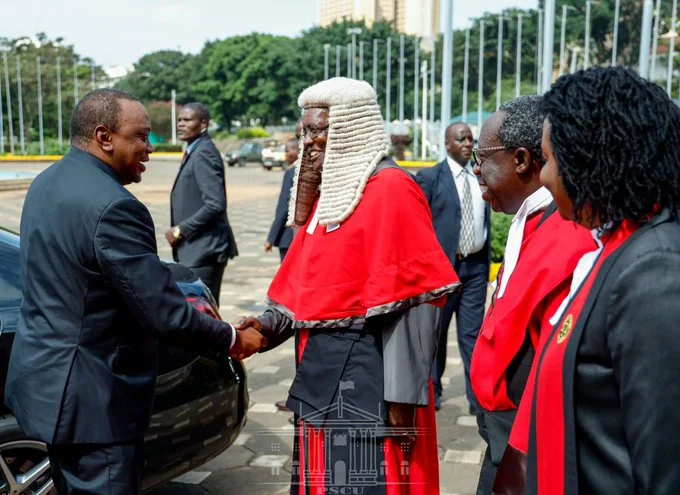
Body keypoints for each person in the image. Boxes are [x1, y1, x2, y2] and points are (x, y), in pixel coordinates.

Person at [4, 89, 266, 495]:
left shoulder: (47, 181)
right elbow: (164, 312)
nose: (149, 148)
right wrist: (233, 338)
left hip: (47, 389)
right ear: (104, 136)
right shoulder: (114, 207)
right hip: (93, 404)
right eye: (141, 136)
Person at [235, 77, 460, 494]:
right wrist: (266, 327)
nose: (310, 141)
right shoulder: (330, 195)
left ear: (349, 128)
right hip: (322, 366)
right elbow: (305, 286)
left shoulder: (393, 188)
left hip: (371, 373)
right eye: (305, 131)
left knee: (363, 479)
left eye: (319, 129)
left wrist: (403, 401)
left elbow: (415, 303)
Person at [524, 67, 680, 494]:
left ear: (592, 159)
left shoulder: (655, 271)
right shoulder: (614, 248)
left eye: (552, 158)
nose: (544, 176)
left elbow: (664, 470)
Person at [465, 96, 595, 494]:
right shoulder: (528, 216)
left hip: (528, 437)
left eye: (480, 156)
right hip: (503, 428)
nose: (475, 168)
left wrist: (521, 450)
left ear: (522, 159)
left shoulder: (567, 232)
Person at [415, 122, 490, 413]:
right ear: (447, 144)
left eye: (471, 138)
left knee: (472, 336)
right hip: (442, 272)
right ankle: (433, 391)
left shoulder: (480, 175)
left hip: (474, 269)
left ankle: (476, 400)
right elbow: (419, 226)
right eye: (461, 139)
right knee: (436, 334)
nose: (468, 143)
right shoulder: (431, 178)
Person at [166, 102, 238, 305]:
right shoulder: (194, 150)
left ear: (203, 124)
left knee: (203, 316)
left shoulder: (204, 152)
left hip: (204, 250)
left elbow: (215, 204)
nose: (181, 124)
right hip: (194, 250)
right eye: (179, 119)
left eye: (187, 120)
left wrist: (181, 229)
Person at [265, 137, 299, 261]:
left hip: (288, 236)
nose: (285, 154)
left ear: (298, 151)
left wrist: (271, 237)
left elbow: (284, 208)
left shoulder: (292, 173)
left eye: (287, 151)